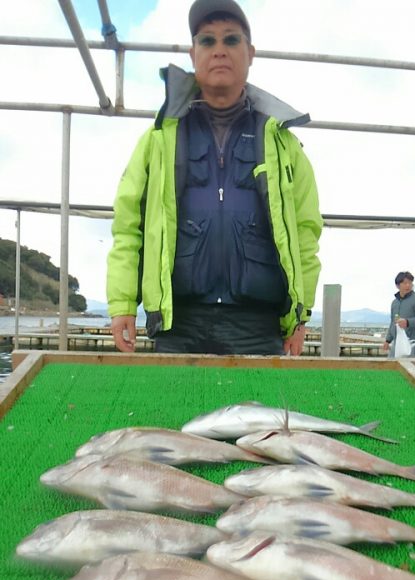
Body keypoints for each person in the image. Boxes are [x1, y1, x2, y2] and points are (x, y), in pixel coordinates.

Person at [107, 0, 322, 356]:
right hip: (178, 325)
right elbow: (128, 225)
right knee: (175, 414)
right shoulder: (157, 139)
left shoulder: (285, 145)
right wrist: (121, 304)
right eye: (207, 41)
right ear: (193, 54)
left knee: (264, 413)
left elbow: (305, 233)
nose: (219, 50)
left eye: (231, 40)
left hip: (259, 326)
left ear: (250, 53)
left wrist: (299, 317)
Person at [383, 271, 415, 358]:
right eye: (405, 283)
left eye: (410, 282)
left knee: (408, 369)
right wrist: (388, 340)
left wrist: (408, 322)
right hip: (397, 342)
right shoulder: (394, 303)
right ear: (397, 285)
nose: (408, 285)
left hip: (412, 342)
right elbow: (393, 322)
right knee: (392, 367)